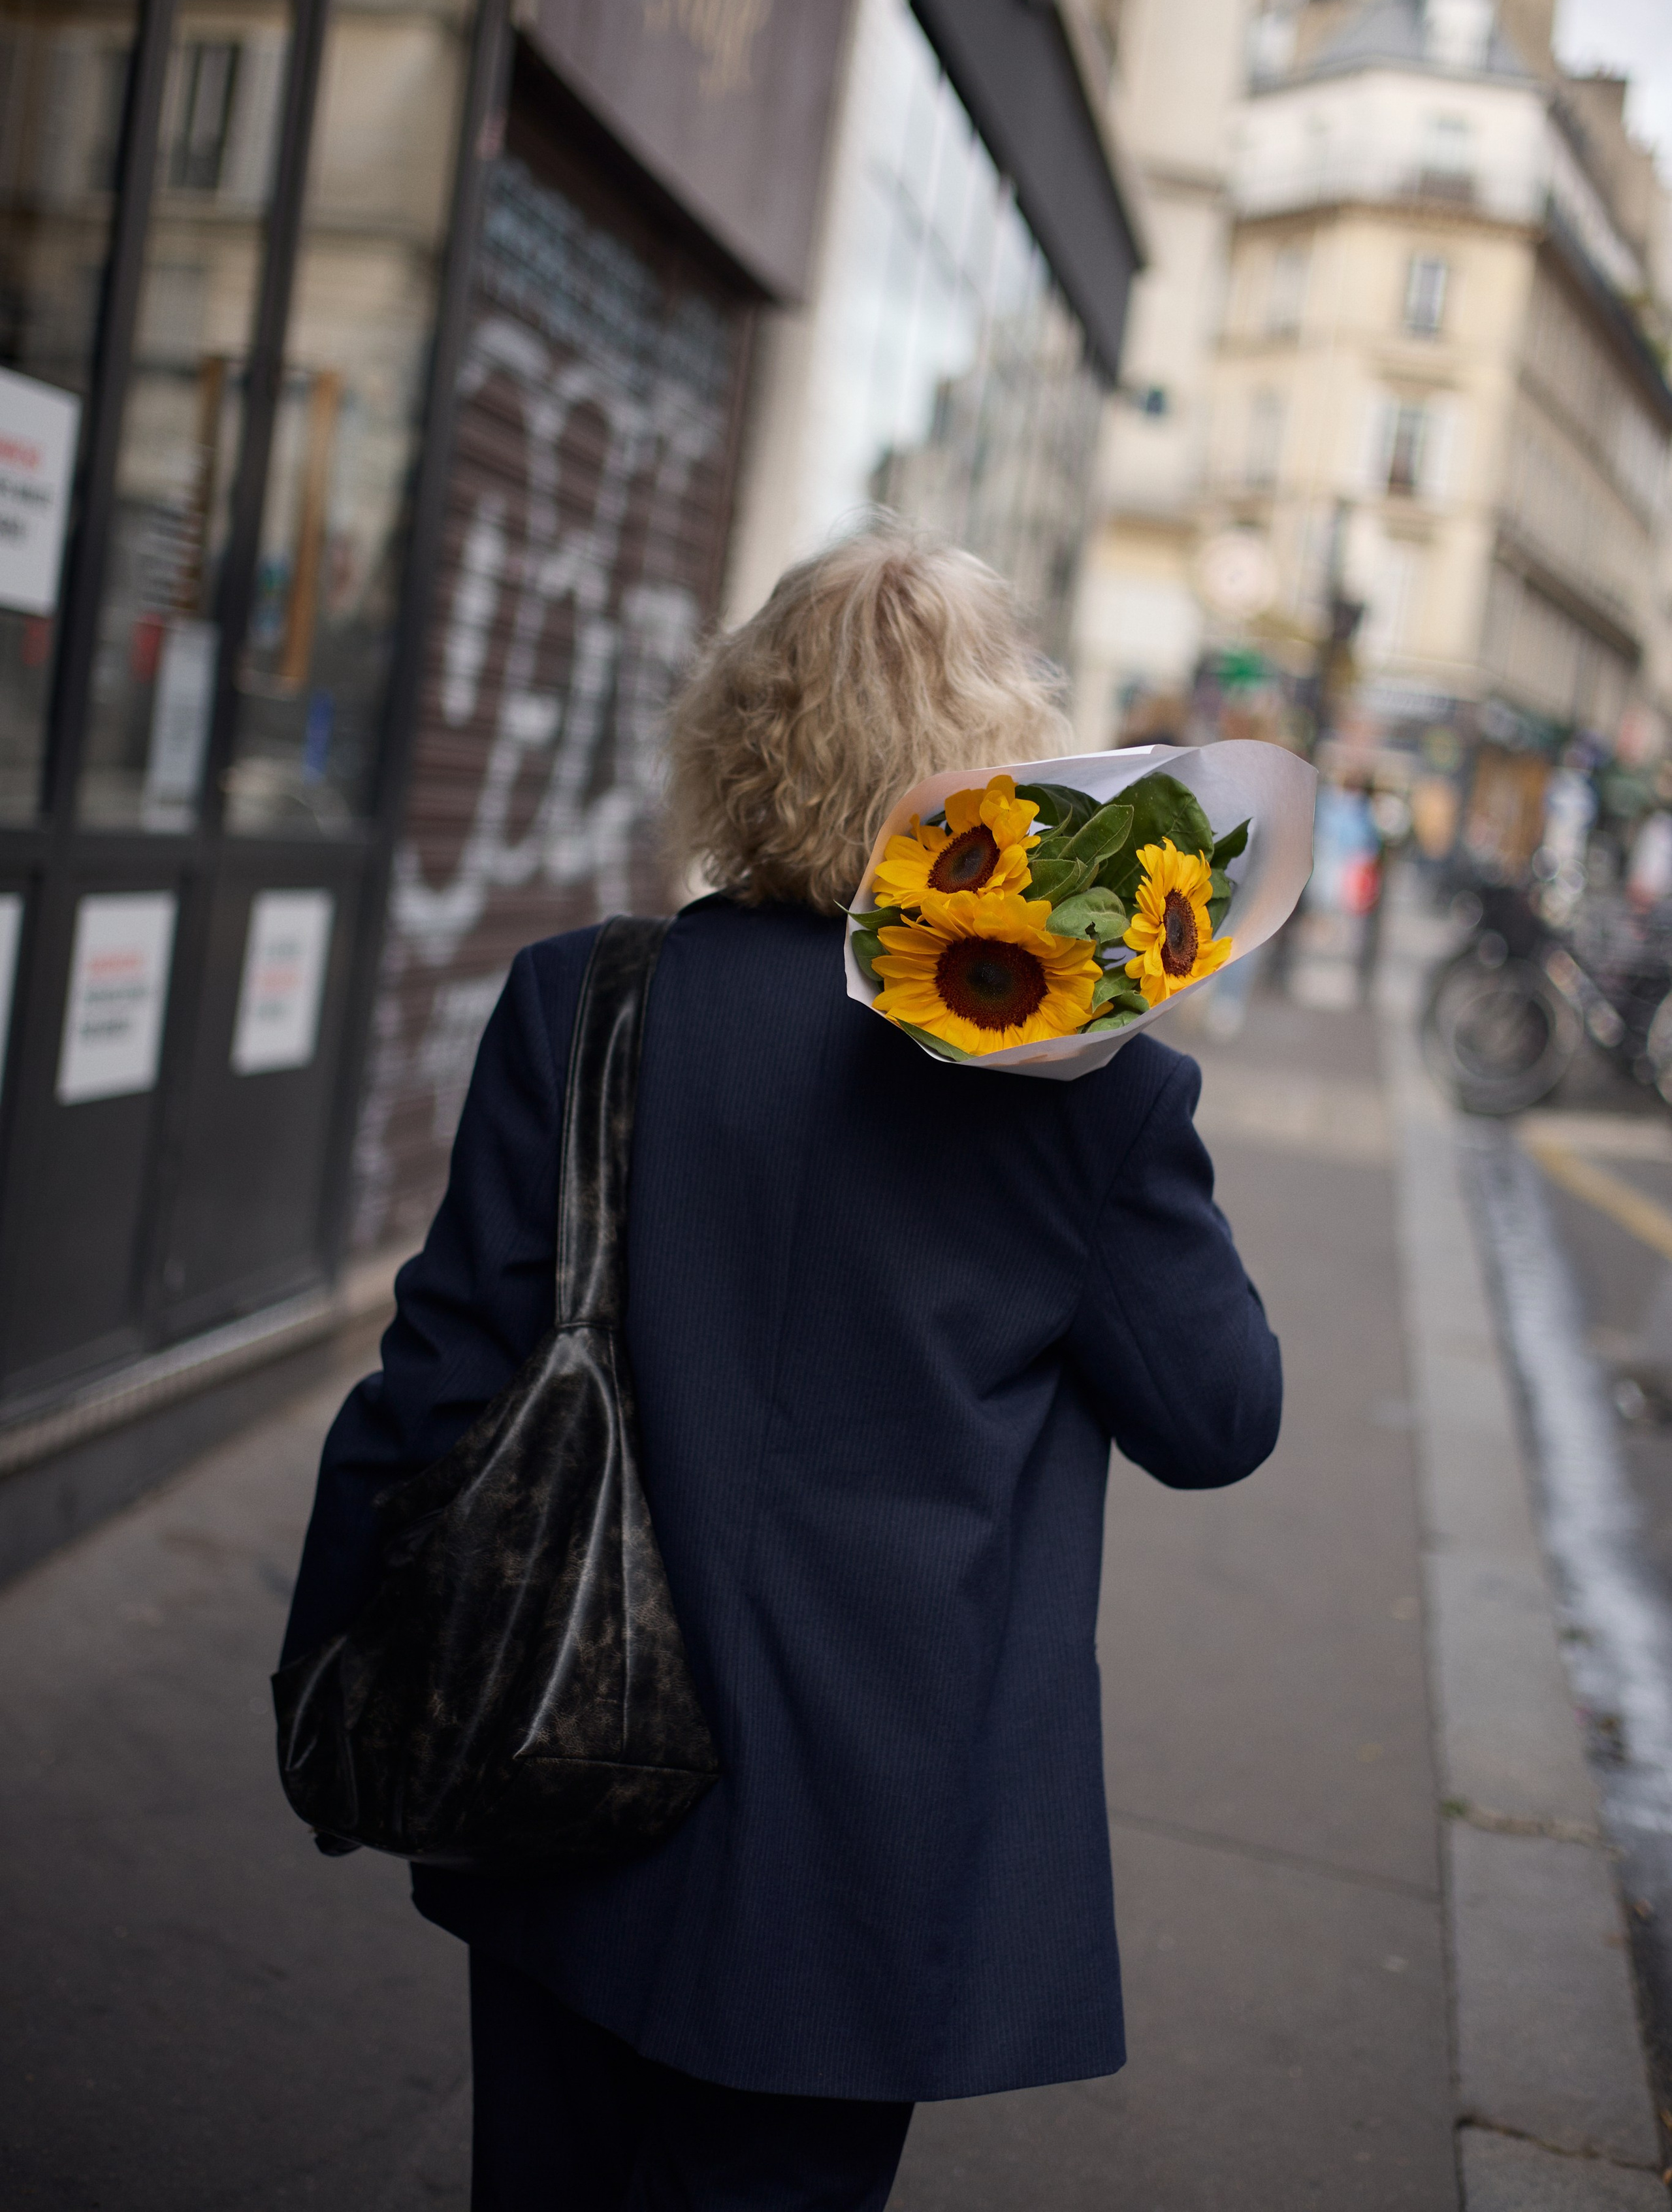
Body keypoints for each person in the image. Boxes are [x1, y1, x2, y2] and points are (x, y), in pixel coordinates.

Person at [281, 532, 1283, 2210]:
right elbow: (1218, 1421)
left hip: (554, 1742)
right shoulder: (1082, 1094)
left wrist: (332, 1669)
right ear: (1003, 779)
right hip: (865, 1850)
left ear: (735, 736)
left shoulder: (578, 1002)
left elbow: (437, 1378)